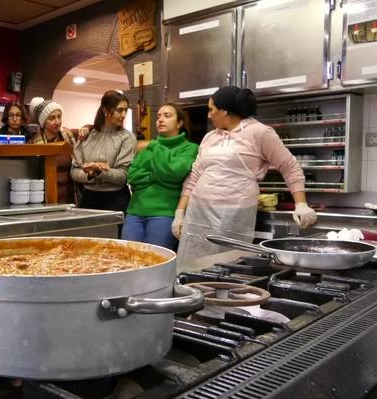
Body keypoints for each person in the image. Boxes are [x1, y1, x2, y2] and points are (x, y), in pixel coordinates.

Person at [173, 86, 317, 269]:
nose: (209, 115)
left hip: (233, 212)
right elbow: (194, 176)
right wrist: (180, 212)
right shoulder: (210, 137)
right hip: (198, 211)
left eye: (211, 109)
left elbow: (289, 166)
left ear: (225, 111)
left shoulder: (259, 132)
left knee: (226, 265)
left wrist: (301, 204)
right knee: (190, 265)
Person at [121, 103, 199, 250]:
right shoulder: (148, 146)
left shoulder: (189, 148)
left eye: (167, 116)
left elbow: (174, 173)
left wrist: (154, 147)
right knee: (128, 259)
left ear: (180, 123)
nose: (161, 120)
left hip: (164, 213)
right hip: (135, 211)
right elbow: (133, 176)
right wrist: (159, 176)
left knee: (155, 262)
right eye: (158, 116)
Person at [70, 90, 137, 215]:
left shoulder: (127, 137)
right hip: (88, 198)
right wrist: (91, 174)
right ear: (106, 111)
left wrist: (100, 172)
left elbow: (123, 176)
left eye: (125, 110)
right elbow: (74, 171)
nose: (123, 115)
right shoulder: (87, 134)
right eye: (119, 110)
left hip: (116, 199)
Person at [28, 97, 78, 204]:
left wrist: (86, 128)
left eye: (59, 117)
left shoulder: (68, 137)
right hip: (45, 198)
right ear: (43, 122)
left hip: (70, 197)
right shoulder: (33, 144)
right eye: (52, 118)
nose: (57, 121)